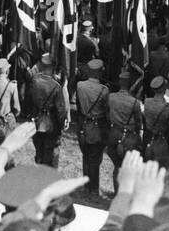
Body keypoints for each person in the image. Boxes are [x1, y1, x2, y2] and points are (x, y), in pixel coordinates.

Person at [25, 53, 67, 167]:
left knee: (39, 152)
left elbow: (27, 102)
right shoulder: (56, 86)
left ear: (41, 66)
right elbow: (61, 110)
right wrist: (62, 124)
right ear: (53, 67)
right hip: (51, 124)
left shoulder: (33, 81)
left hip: (36, 121)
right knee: (50, 156)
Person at [75, 59, 109, 195]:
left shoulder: (80, 85)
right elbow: (106, 110)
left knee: (86, 156)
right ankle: (93, 188)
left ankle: (86, 186)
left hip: (83, 124)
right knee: (95, 158)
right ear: (100, 72)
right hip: (97, 126)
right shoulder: (104, 90)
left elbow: (78, 105)